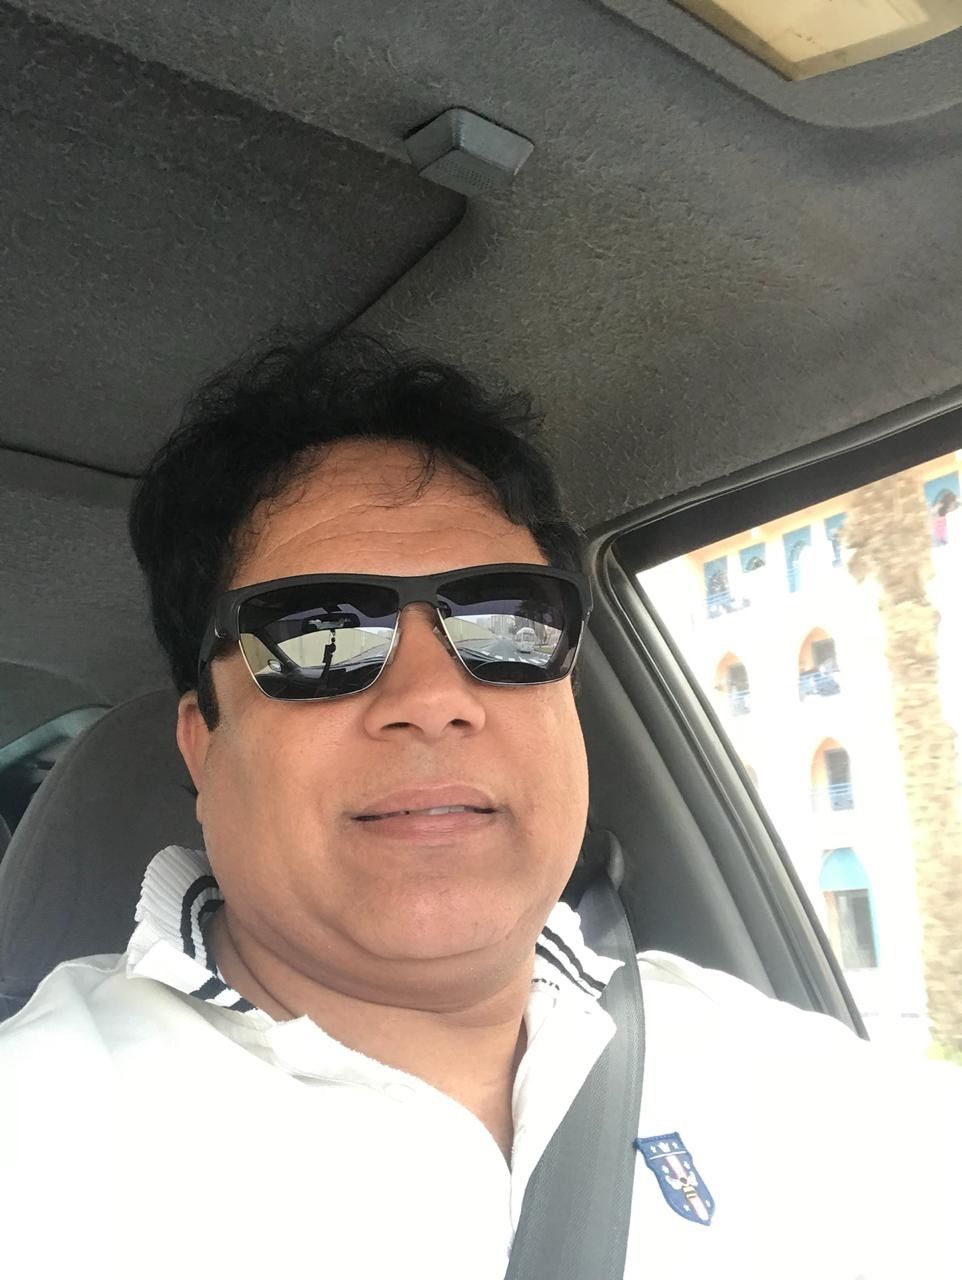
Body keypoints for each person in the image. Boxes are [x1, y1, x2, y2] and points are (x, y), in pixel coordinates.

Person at [0, 333, 958, 1279]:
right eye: (320, 636)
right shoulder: (43, 1137)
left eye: (508, 622)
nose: (433, 697)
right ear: (203, 744)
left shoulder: (783, 1073)